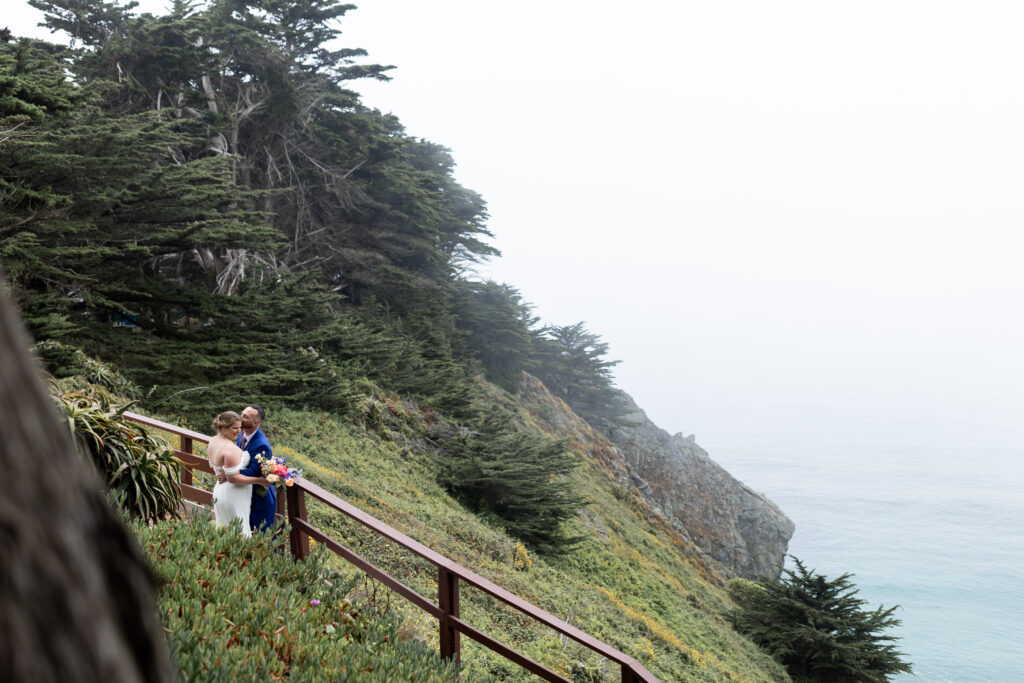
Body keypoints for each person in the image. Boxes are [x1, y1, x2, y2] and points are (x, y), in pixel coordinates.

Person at [208, 411, 267, 537]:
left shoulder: (213, 441)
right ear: (223, 427)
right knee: (240, 534)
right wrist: (260, 481)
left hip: (220, 491)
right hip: (233, 494)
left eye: (240, 427)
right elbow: (233, 478)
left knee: (225, 532)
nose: (239, 431)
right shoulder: (231, 449)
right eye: (235, 428)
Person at [237, 404, 278, 533]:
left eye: (245, 416)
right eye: (242, 414)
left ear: (255, 422)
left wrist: (230, 472)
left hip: (260, 498)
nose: (240, 418)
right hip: (245, 494)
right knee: (244, 531)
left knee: (265, 537)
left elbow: (254, 471)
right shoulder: (240, 435)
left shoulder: (261, 445)